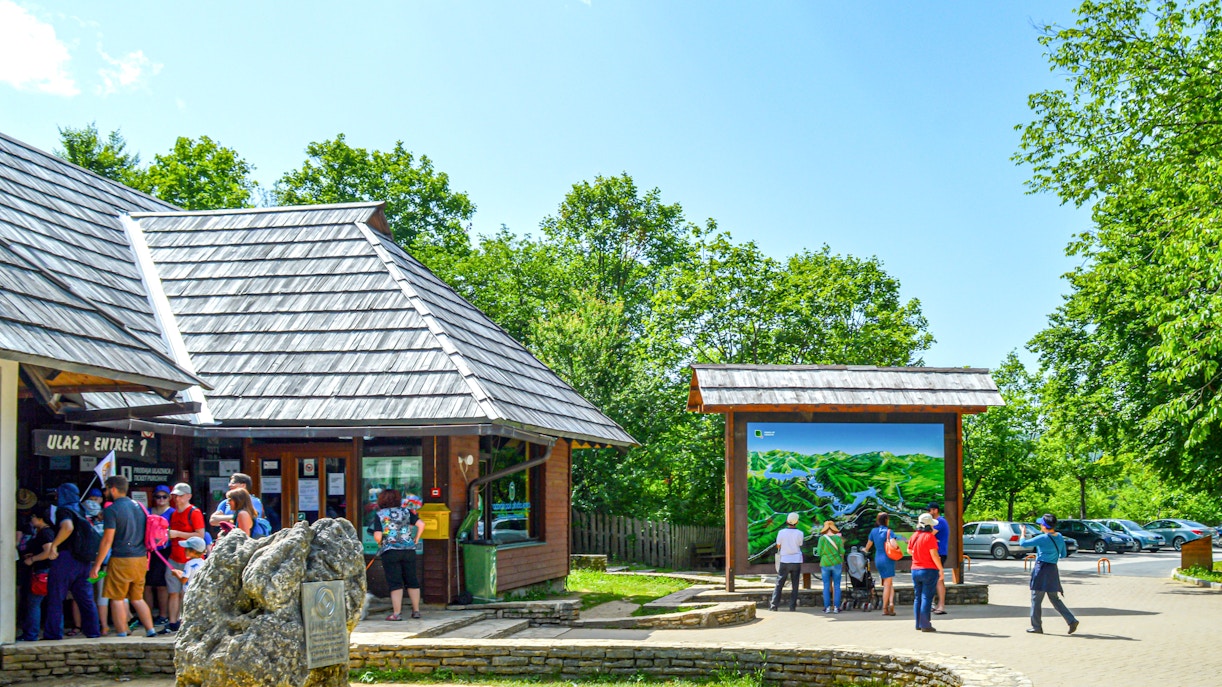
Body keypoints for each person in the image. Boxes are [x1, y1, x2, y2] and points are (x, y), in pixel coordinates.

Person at [88, 475, 157, 638]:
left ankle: (121, 633)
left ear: (113, 489)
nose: (105, 493)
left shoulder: (111, 510)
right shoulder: (139, 506)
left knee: (117, 598)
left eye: (106, 489)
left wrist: (97, 565)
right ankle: (150, 630)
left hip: (121, 558)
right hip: (141, 558)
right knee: (137, 598)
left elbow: (107, 540)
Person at [44, 482, 100, 640]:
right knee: (86, 599)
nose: (56, 497)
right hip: (84, 560)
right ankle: (93, 631)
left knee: (56, 597)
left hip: (66, 558)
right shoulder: (83, 509)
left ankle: (53, 634)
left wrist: (54, 545)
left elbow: (67, 527)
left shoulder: (64, 510)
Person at [1019, 514, 1080, 635]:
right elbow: (1062, 554)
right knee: (1054, 598)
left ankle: (1037, 626)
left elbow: (1023, 543)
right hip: (1052, 570)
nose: (1040, 525)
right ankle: (1071, 620)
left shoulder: (1043, 538)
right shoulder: (1060, 537)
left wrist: (1022, 532)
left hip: (1041, 569)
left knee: (1036, 599)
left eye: (1041, 524)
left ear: (1045, 526)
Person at [371, 488, 423, 620]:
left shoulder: (381, 514)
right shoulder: (406, 512)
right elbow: (421, 524)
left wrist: (380, 542)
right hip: (409, 550)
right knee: (412, 580)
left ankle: (397, 613)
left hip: (390, 551)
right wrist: (416, 539)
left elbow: (377, 536)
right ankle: (416, 611)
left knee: (395, 582)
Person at [163, 483, 205, 634]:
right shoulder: (174, 514)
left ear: (189, 496)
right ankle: (172, 622)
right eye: (175, 496)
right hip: (174, 557)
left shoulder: (194, 512)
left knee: (186, 592)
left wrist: (177, 534)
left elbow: (200, 535)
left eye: (180, 496)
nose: (177, 499)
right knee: (173, 592)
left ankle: (184, 622)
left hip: (190, 560)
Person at [18, 503, 55, 641]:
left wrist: (33, 559)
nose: (31, 520)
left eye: (33, 517)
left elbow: (48, 551)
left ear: (40, 518)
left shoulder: (46, 533)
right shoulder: (43, 532)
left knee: (34, 604)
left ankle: (31, 634)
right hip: (41, 570)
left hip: (42, 571)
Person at [144, 485, 173, 627]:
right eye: (157, 496)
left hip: (165, 550)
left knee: (162, 585)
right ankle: (147, 614)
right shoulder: (148, 512)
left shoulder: (172, 513)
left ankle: (163, 614)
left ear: (169, 498)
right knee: (147, 585)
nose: (161, 499)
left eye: (164, 496)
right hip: (148, 551)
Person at [909, 512, 943, 632]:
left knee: (917, 597)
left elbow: (909, 550)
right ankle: (925, 625)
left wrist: (918, 555)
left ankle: (918, 624)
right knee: (926, 598)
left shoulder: (914, 536)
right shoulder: (930, 537)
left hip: (915, 569)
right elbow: (934, 555)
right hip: (928, 570)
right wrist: (940, 569)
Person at [863, 512, 900, 616]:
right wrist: (896, 547)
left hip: (878, 559)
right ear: (886, 520)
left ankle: (891, 603)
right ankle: (885, 607)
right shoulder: (889, 531)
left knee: (888, 582)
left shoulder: (873, 531)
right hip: (888, 559)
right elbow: (894, 544)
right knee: (887, 584)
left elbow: (868, 546)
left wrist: (864, 549)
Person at [769, 512, 804, 612]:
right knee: (795, 584)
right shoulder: (800, 533)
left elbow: (778, 545)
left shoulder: (781, 532)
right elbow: (800, 544)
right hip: (796, 560)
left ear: (787, 521)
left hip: (785, 560)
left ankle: (774, 605)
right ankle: (792, 606)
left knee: (779, 583)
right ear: (796, 521)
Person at [816, 520, 845, 614]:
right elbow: (842, 551)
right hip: (836, 563)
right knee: (837, 585)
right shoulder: (837, 538)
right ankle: (836, 607)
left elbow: (819, 552)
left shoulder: (822, 539)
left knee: (826, 585)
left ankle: (827, 607)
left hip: (825, 563)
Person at [927, 502, 949, 614]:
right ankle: (936, 604)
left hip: (939, 553)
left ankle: (941, 605)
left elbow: (930, 534)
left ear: (935, 510)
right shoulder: (937, 522)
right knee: (935, 580)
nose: (928, 513)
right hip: (935, 553)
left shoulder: (940, 521)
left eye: (929, 510)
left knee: (939, 580)